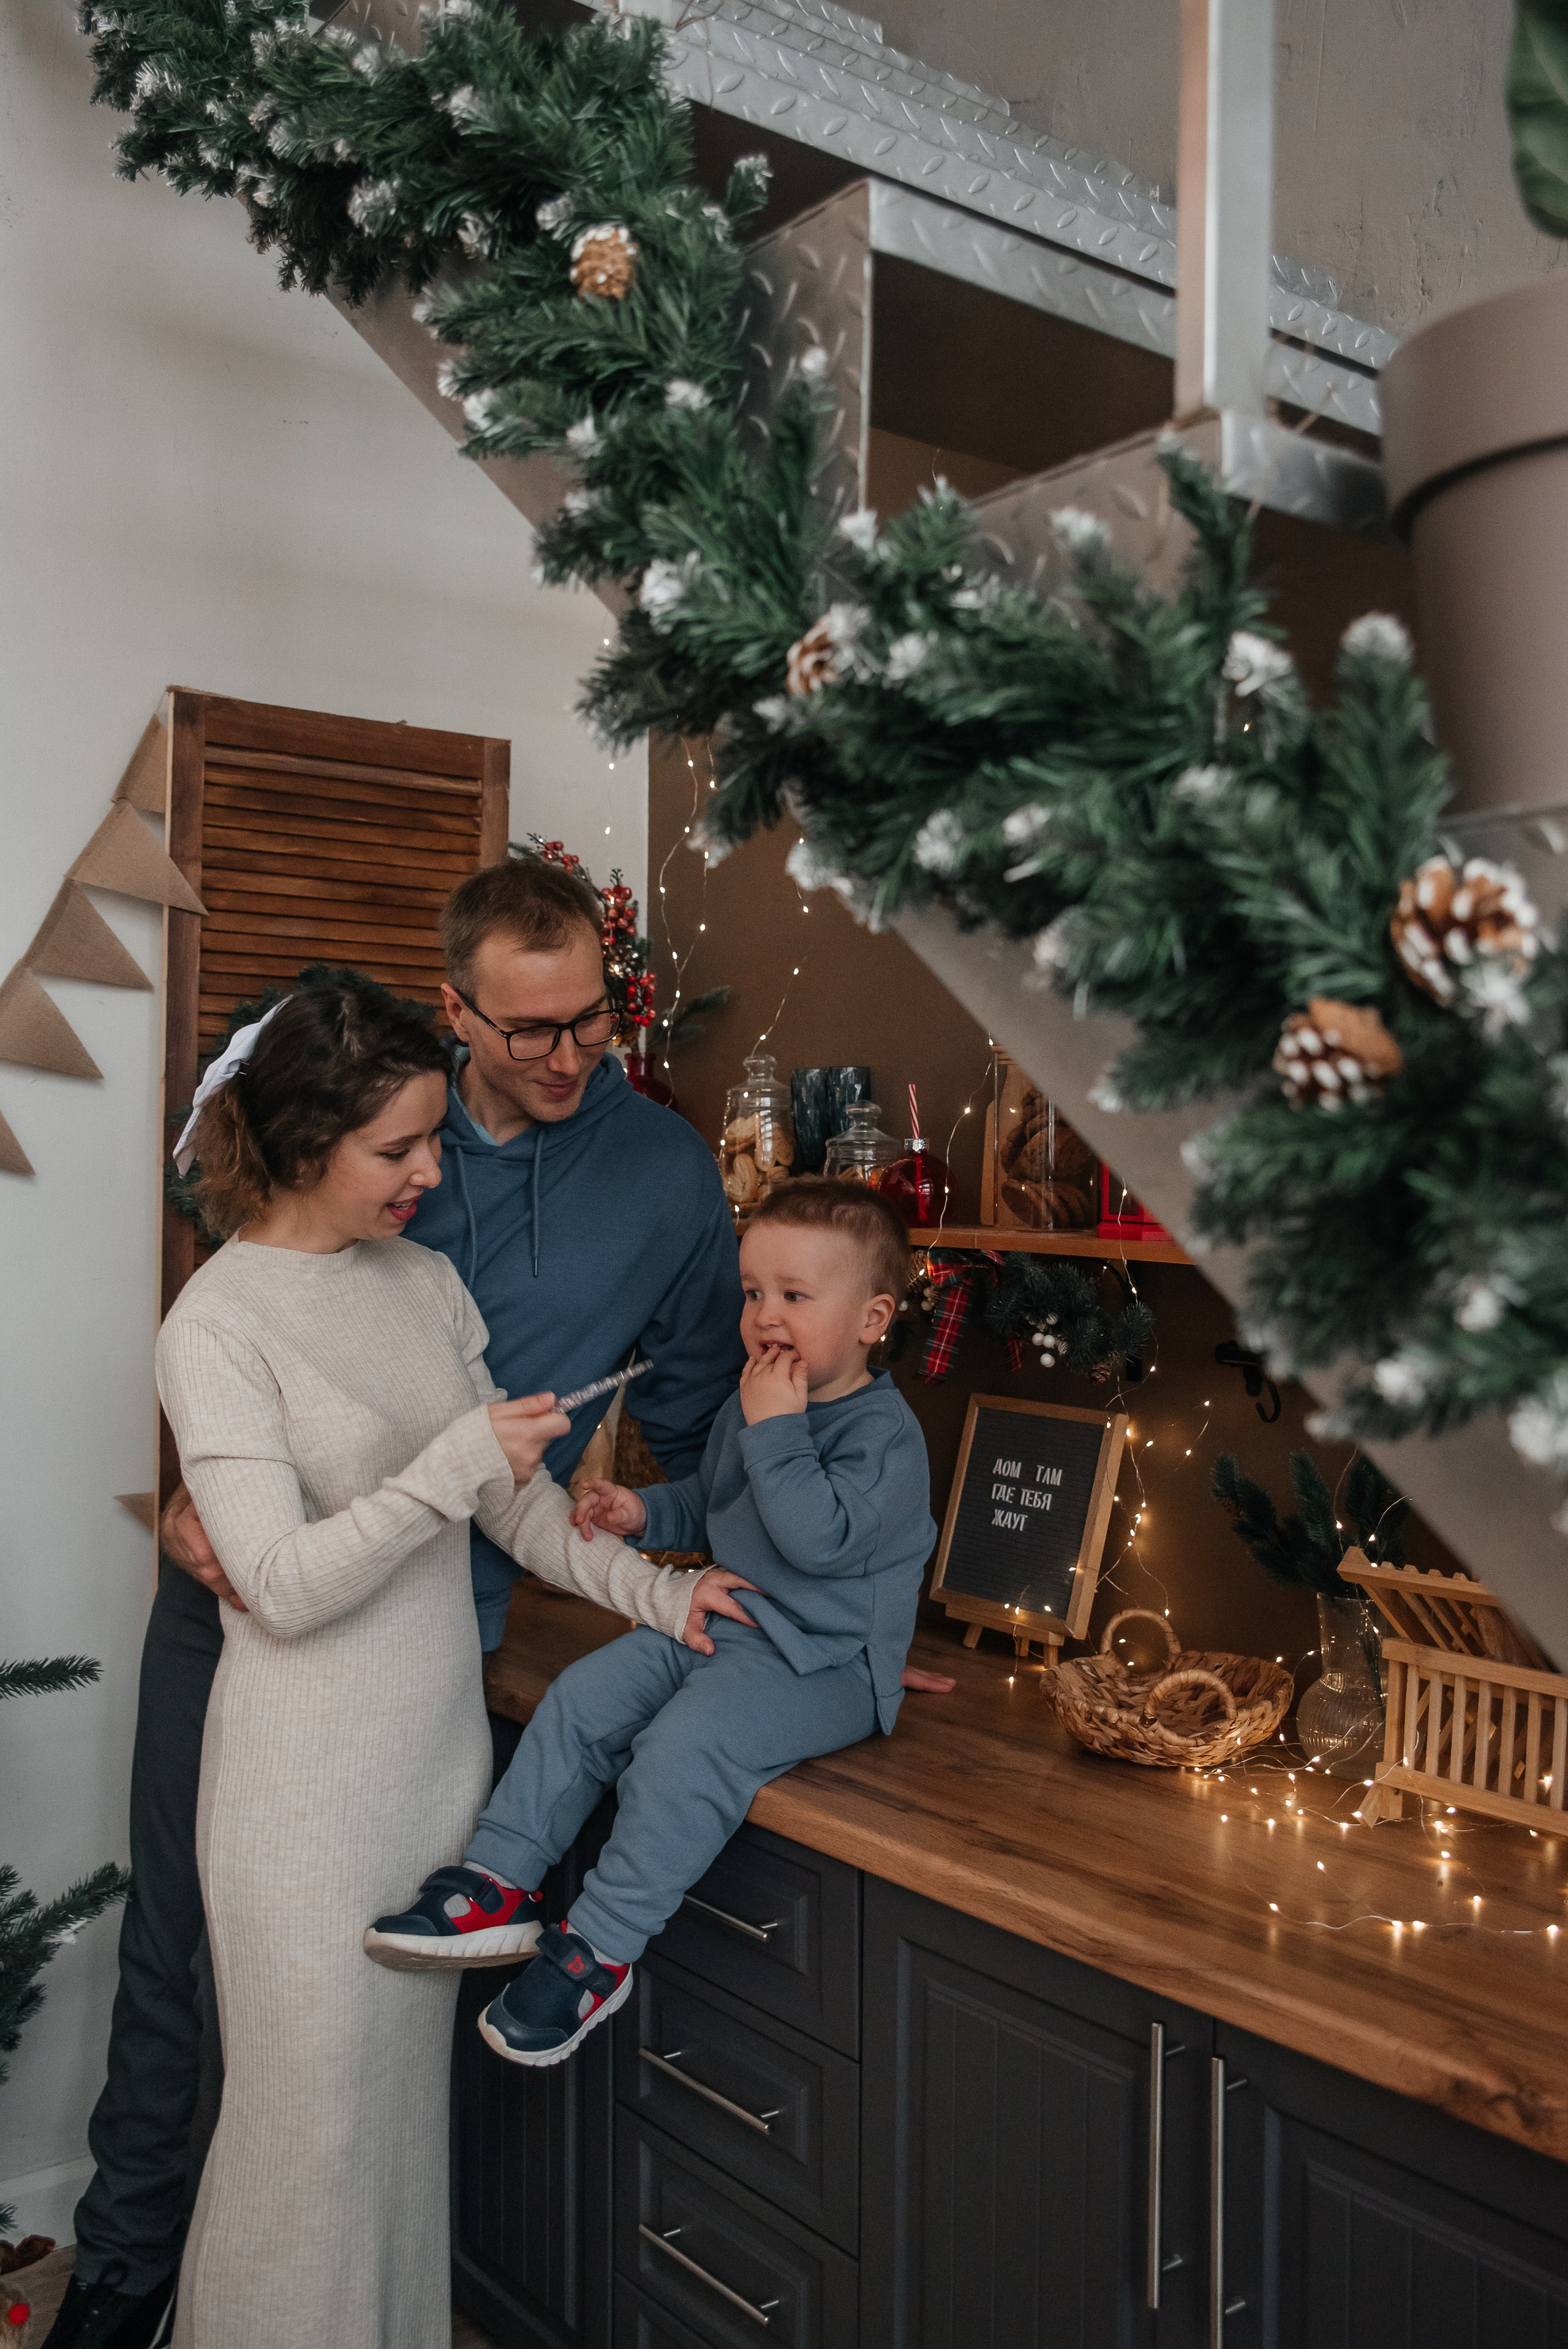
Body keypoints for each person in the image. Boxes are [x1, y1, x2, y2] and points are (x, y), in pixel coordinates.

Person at [146, 980, 752, 2349]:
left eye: (432, 1139)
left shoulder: (422, 1284)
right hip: (298, 1802)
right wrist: (450, 1462)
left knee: (390, 2150)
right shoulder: (218, 1324)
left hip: (432, 1779)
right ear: (304, 1145)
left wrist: (664, 1592)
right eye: (398, 1150)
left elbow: (520, 1515)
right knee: (301, 2149)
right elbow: (286, 1588)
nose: (432, 1170)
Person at [364, 1178, 935, 2067]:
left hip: (825, 1666)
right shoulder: (754, 1403)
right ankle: (498, 1880)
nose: (765, 1317)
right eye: (753, 1294)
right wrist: (643, 1512)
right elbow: (716, 1507)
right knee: (584, 1698)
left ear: (871, 1319)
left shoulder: (882, 1437)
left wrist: (776, 1429)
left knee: (681, 1753)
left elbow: (818, 1542)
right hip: (729, 1618)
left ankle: (599, 1950)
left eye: (795, 1296)